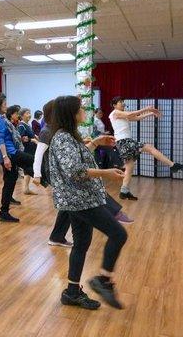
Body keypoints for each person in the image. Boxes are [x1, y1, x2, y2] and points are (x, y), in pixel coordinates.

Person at [49, 95, 129, 310]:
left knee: (82, 244)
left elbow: (78, 159)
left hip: (80, 199)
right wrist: (107, 173)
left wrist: (95, 142)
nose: (84, 111)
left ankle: (72, 293)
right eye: (81, 109)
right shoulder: (63, 138)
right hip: (80, 200)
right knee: (119, 234)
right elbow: (75, 171)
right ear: (72, 113)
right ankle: (103, 280)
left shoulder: (69, 136)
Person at [33, 100, 134, 249]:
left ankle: (57, 236)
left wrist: (90, 142)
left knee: (68, 205)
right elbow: (39, 154)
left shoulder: (61, 130)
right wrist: (36, 174)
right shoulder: (47, 131)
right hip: (56, 173)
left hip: (64, 171)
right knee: (77, 196)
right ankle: (113, 211)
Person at [108, 96, 183, 200]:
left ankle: (124, 191)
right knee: (149, 147)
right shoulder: (115, 113)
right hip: (124, 142)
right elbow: (131, 114)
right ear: (114, 105)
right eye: (120, 102)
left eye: (123, 102)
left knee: (129, 168)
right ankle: (173, 165)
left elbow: (135, 118)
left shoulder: (121, 115)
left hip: (124, 142)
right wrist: (147, 108)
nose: (123, 103)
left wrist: (150, 113)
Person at [0, 95, 34, 222]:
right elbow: (0, 139)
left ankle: (3, 213)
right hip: (10, 154)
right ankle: (42, 179)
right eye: (4, 104)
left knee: (10, 181)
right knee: (33, 161)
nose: (6, 106)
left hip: (10, 153)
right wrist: (5, 157)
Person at [17, 107, 39, 196]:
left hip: (31, 148)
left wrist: (36, 137)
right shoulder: (21, 125)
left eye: (29, 113)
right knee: (29, 167)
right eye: (27, 113)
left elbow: (31, 135)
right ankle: (29, 185)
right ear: (22, 116)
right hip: (27, 149)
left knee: (28, 167)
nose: (29, 115)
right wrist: (32, 140)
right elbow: (21, 138)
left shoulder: (28, 125)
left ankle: (26, 188)